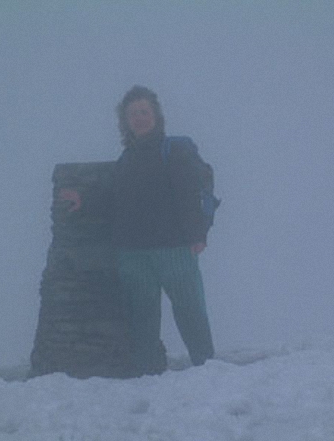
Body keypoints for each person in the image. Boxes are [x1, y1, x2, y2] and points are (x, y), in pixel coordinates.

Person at [60, 86, 215, 375]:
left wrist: (198, 235)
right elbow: (114, 199)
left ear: (156, 115)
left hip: (175, 251)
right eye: (133, 114)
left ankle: (209, 374)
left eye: (144, 111)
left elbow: (188, 194)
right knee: (142, 322)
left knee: (191, 314)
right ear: (126, 121)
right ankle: (147, 379)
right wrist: (84, 200)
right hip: (133, 256)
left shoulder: (174, 151)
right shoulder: (126, 160)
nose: (140, 118)